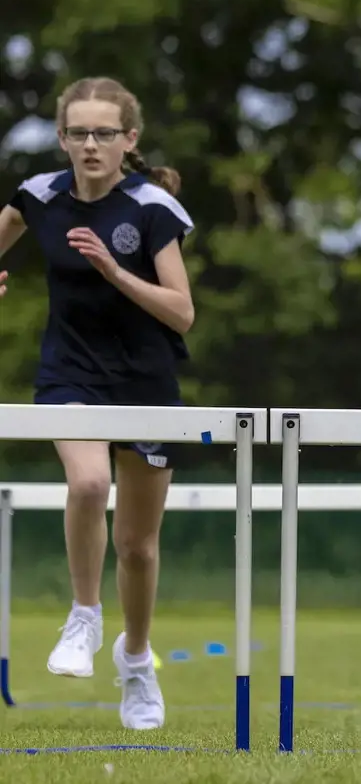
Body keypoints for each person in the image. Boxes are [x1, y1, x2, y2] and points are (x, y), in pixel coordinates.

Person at [0, 77, 195, 730]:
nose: (90, 144)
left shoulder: (151, 208)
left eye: (104, 133)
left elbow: (183, 313)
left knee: (137, 547)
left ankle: (135, 660)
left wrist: (115, 273)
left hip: (146, 382)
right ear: (62, 139)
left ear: (128, 140)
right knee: (87, 483)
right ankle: (83, 617)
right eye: (78, 133)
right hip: (70, 374)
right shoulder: (39, 197)